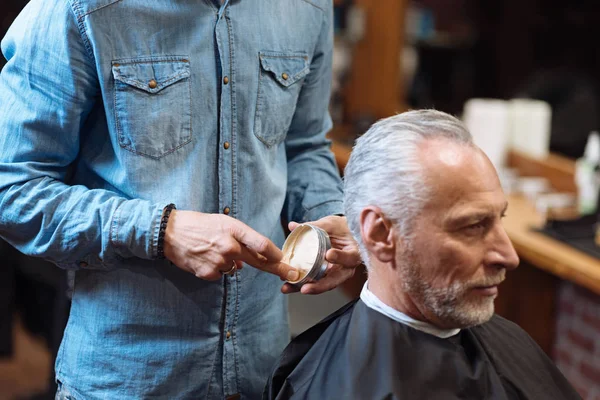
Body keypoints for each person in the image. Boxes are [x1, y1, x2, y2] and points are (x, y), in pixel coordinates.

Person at [0, 0, 361, 398]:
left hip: (264, 373)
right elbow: (13, 188)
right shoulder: (75, 9)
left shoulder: (308, 7)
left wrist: (330, 214)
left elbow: (303, 145)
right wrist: (161, 231)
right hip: (129, 379)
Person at [265, 110, 581, 400]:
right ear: (381, 234)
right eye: (473, 226)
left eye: (500, 220)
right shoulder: (329, 386)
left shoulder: (509, 342)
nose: (509, 257)